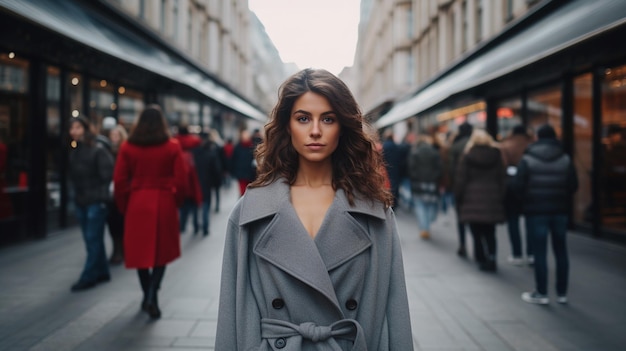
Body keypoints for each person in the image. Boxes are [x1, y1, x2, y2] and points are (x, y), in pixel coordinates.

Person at [215, 68, 414, 350]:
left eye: (328, 119)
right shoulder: (250, 213)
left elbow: (395, 315)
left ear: (342, 128)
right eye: (303, 118)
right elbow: (232, 315)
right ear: (287, 126)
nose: (316, 131)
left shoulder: (376, 215)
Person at [113, 105, 187, 319]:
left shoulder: (128, 147)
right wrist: (176, 201)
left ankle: (147, 294)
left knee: (140, 253)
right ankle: (152, 294)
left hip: (137, 202)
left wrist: (124, 205)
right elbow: (181, 181)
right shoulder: (172, 146)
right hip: (164, 201)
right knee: (161, 253)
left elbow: (119, 181)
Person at [514, 124, 578, 305]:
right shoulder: (565, 158)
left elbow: (518, 185)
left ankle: (541, 292)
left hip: (536, 211)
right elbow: (573, 185)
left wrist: (527, 200)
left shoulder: (528, 158)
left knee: (539, 252)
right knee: (561, 251)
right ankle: (562, 293)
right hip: (560, 210)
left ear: (537, 138)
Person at [67, 116, 114, 291]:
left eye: (78, 127)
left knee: (93, 239)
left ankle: (88, 276)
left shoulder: (98, 150)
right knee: (91, 240)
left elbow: (107, 175)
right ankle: (102, 271)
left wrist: (102, 199)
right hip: (81, 200)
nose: (74, 131)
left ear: (86, 129)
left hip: (95, 201)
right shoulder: (75, 151)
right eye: (72, 128)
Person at [454, 129, 506, 272]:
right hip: (492, 198)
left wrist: (459, 196)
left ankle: (481, 258)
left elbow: (461, 179)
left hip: (472, 198)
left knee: (476, 231)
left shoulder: (468, 155)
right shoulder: (496, 155)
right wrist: (500, 196)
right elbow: (502, 178)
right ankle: (492, 257)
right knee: (490, 232)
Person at [499, 124, 533, 265]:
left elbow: (503, 167)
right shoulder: (532, 144)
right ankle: (532, 253)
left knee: (513, 221)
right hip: (530, 187)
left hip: (511, 187)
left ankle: (517, 254)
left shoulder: (506, 145)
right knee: (531, 222)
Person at [407, 134, 442, 239]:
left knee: (420, 205)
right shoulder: (434, 152)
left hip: (418, 183)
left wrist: (415, 177)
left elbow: (411, 168)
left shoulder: (415, 152)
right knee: (430, 204)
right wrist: (435, 178)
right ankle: (427, 224)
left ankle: (424, 228)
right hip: (432, 182)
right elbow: (439, 168)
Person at [447, 122, 473, 257]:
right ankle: (480, 248)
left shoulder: (456, 146)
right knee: (477, 219)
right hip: (478, 189)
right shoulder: (478, 144)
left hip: (461, 187)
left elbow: (451, 169)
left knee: (461, 218)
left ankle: (463, 243)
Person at [194, 129, 225, 235]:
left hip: (196, 182)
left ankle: (196, 225)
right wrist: (218, 181)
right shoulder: (211, 152)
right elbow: (216, 169)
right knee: (206, 204)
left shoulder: (194, 153)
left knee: (197, 204)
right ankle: (205, 226)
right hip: (207, 182)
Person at [105, 123, 128, 265]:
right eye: (112, 136)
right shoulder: (106, 151)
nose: (113, 138)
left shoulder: (125, 151)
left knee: (121, 223)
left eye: (116, 136)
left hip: (121, 192)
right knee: (113, 224)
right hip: (109, 193)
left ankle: (122, 250)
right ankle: (116, 250)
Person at [175, 125, 203, 234]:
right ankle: (196, 225)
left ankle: (182, 225)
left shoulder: (175, 144)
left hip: (182, 182)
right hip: (194, 180)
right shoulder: (195, 143)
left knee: (183, 206)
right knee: (195, 205)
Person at [231, 129, 256, 196]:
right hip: (241, 173)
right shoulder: (237, 147)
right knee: (242, 193)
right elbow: (234, 159)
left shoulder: (253, 146)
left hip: (251, 174)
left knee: (250, 192)